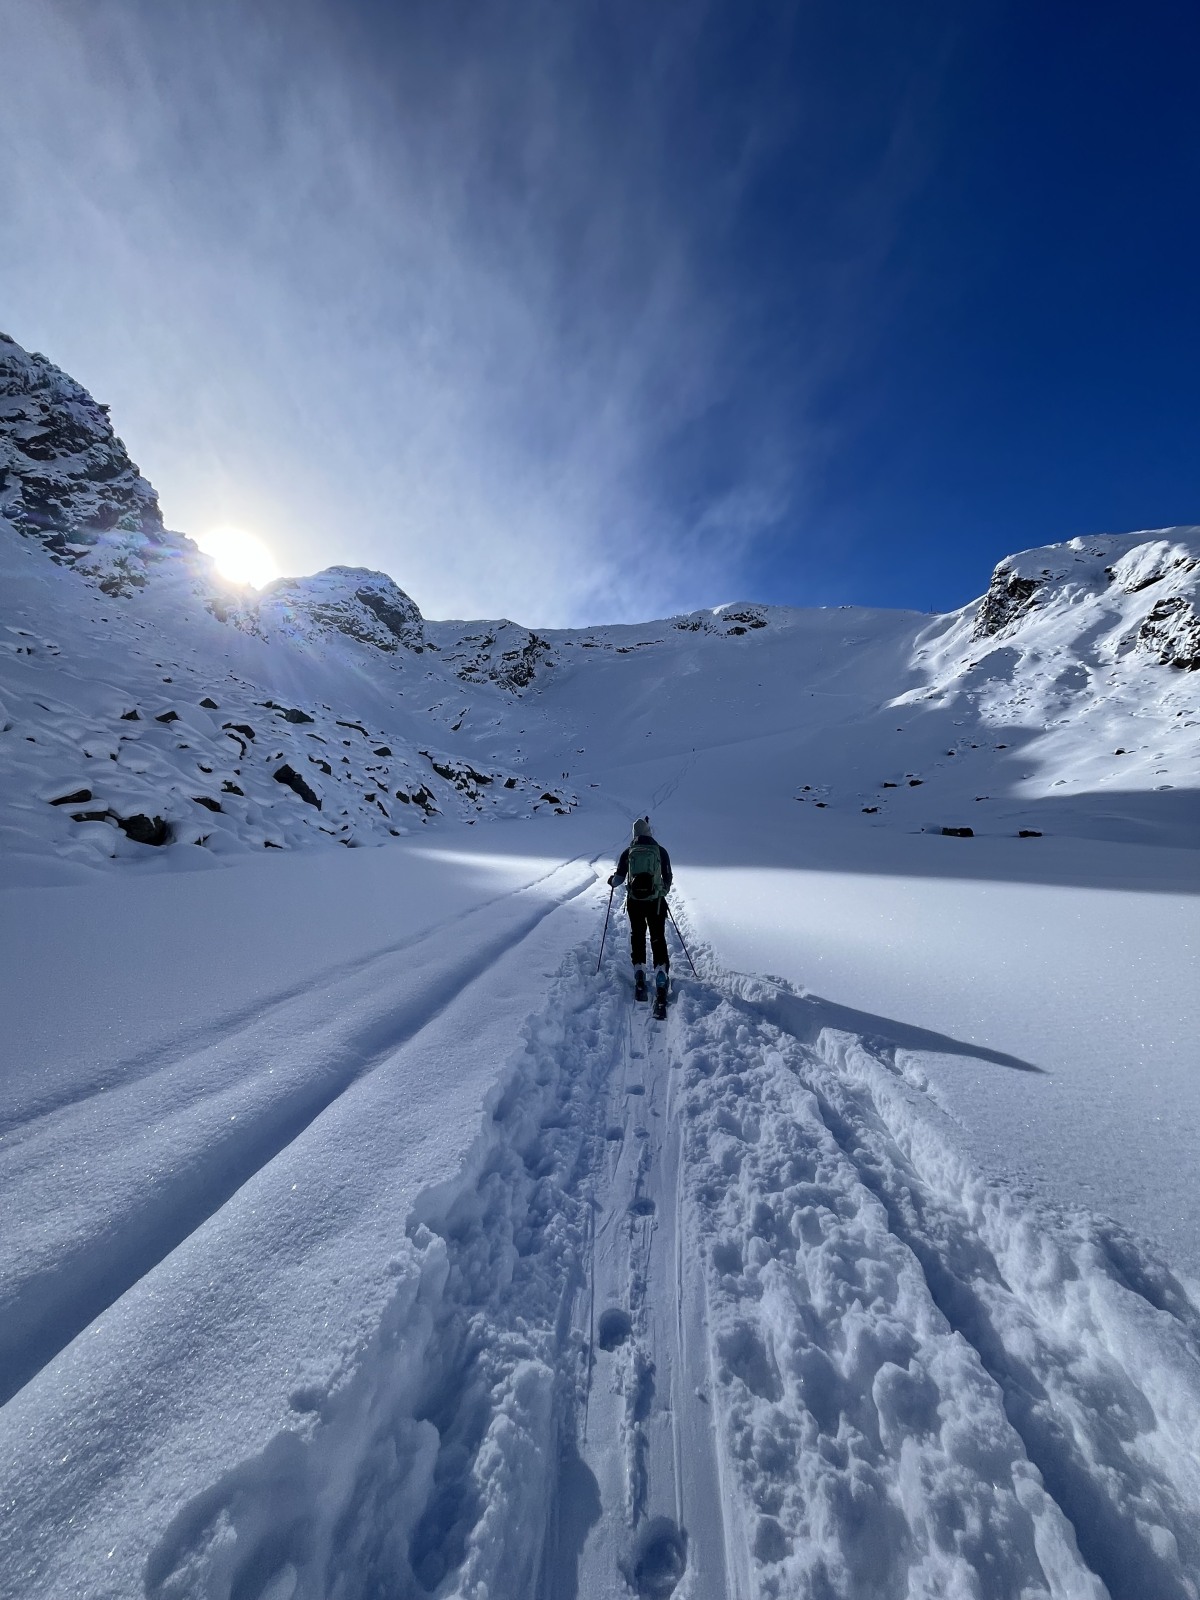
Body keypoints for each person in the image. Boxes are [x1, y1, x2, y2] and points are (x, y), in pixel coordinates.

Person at [608, 816, 673, 999]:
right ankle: (661, 975)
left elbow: (619, 879)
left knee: (637, 935)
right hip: (656, 902)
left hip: (634, 901)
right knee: (657, 936)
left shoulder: (628, 852)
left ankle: (639, 973)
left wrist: (611, 881)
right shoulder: (661, 852)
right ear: (649, 831)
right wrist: (662, 890)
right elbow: (667, 877)